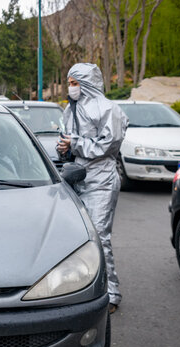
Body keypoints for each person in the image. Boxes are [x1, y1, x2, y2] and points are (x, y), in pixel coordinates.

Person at [57, 63, 128, 314]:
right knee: (79, 239)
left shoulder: (109, 109)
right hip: (77, 178)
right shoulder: (71, 109)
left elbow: (109, 145)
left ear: (87, 83)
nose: (71, 87)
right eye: (69, 82)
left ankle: (111, 294)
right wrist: (63, 147)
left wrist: (74, 144)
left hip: (102, 180)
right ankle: (80, 289)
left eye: (75, 82)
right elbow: (67, 139)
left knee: (99, 236)